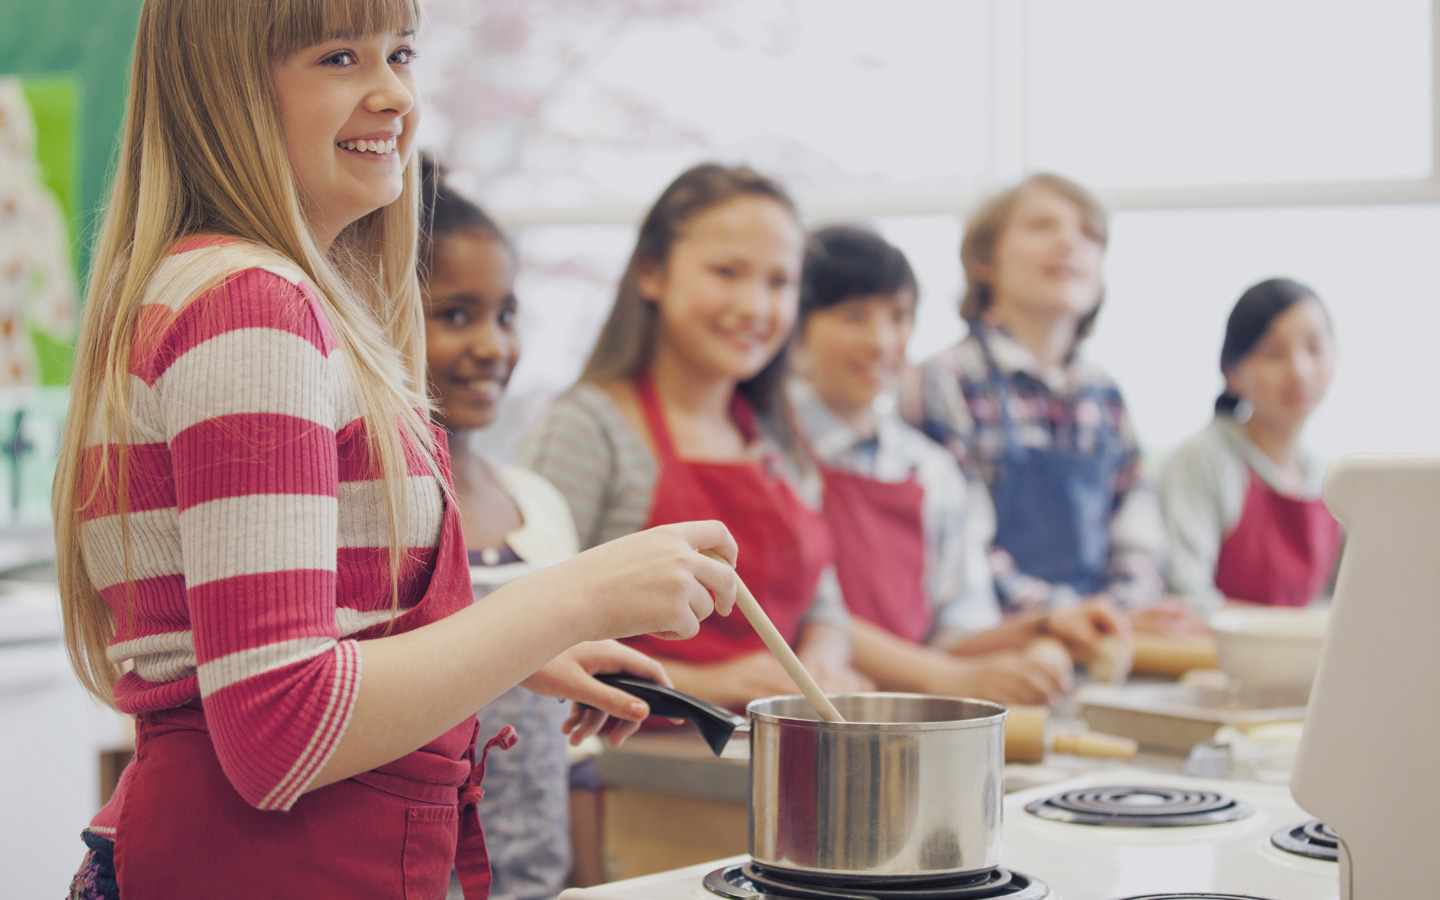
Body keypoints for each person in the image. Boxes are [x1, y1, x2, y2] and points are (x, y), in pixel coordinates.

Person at [54, 4, 738, 898]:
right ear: (225, 92)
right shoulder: (252, 309)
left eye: (401, 53)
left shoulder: (219, 289)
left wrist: (502, 646)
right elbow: (281, 729)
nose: (394, 95)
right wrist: (572, 596)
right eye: (340, 57)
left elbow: (287, 621)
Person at [518, 163, 868, 710]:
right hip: (632, 775)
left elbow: (823, 603)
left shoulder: (777, 436)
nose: (755, 306)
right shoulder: (587, 429)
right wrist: (705, 687)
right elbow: (518, 637)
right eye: (728, 272)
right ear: (652, 273)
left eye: (779, 282)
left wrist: (825, 656)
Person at [900, 173, 1196, 659]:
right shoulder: (943, 381)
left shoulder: (1106, 395)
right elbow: (961, 550)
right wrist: (1064, 616)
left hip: (1101, 642)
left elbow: (1136, 526)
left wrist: (1115, 610)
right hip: (995, 653)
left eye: (1088, 234)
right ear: (985, 260)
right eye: (1042, 226)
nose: (1069, 243)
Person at [791, 225, 1089, 705]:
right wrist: (946, 678)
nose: (881, 340)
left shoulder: (931, 469)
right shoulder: (767, 452)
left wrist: (1042, 633)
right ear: (797, 324)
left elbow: (953, 630)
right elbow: (796, 613)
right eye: (854, 316)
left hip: (910, 726)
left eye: (899, 317)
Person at [420, 157, 610, 899]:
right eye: (456, 315)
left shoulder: (538, 503)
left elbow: (574, 751)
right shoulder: (378, 517)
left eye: (506, 314)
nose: (494, 347)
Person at [1159, 278, 1341, 611]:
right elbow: (1186, 595)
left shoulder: (1334, 482)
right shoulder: (1203, 459)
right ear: (1232, 373)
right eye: (1273, 354)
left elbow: (1343, 604)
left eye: (1315, 347)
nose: (1299, 371)